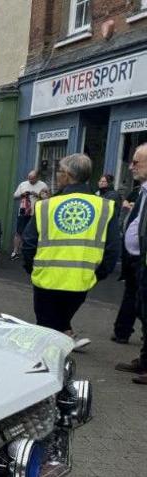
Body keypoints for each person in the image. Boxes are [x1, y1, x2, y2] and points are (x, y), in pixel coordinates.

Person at [22, 153, 120, 347]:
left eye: (58, 171)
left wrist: (31, 268)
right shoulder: (105, 207)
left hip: (46, 281)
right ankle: (65, 340)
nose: (57, 175)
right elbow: (112, 248)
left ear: (66, 175)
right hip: (80, 282)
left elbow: (29, 243)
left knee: (46, 333)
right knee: (58, 325)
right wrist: (98, 274)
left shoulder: (46, 206)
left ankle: (49, 368)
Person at [116, 143, 147, 382]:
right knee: (141, 309)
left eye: (136, 162)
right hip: (138, 261)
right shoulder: (143, 190)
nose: (131, 166)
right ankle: (145, 360)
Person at [113, 175, 143, 344]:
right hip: (132, 254)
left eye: (136, 162)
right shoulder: (139, 192)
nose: (131, 167)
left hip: (141, 256)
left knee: (139, 296)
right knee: (131, 293)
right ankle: (122, 331)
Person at [12, 170, 49, 260]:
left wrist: (38, 195)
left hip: (35, 213)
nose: (30, 181)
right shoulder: (23, 184)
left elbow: (47, 199)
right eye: (29, 178)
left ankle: (32, 253)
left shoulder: (43, 185)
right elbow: (14, 196)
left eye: (32, 179)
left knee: (34, 233)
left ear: (37, 178)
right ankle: (15, 251)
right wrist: (22, 194)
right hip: (23, 211)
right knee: (19, 232)